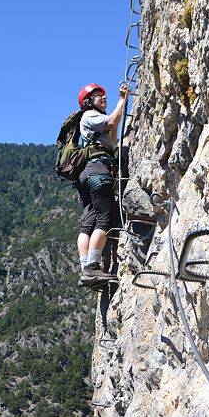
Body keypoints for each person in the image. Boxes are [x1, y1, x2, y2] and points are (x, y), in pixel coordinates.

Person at [76, 82, 129, 286]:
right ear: (89, 102)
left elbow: (112, 135)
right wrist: (122, 101)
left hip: (87, 173)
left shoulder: (91, 121)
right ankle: (92, 268)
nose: (103, 98)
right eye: (99, 96)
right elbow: (110, 122)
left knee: (88, 223)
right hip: (98, 170)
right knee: (105, 218)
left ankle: (85, 268)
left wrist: (119, 107)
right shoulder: (90, 115)